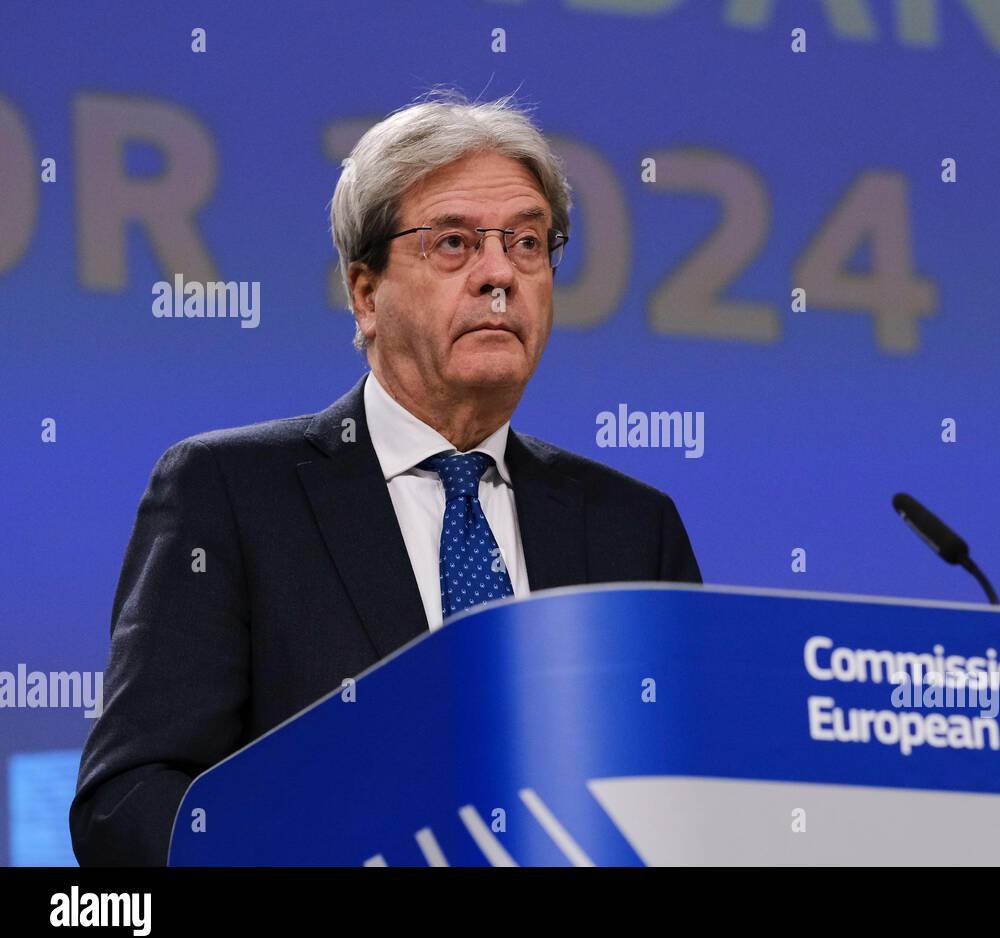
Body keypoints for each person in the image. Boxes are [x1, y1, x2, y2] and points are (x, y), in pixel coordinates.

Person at [70, 89, 703, 866]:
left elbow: (695, 797)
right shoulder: (229, 494)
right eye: (453, 244)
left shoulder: (634, 530)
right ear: (365, 294)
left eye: (528, 243)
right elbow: (128, 802)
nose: (499, 274)